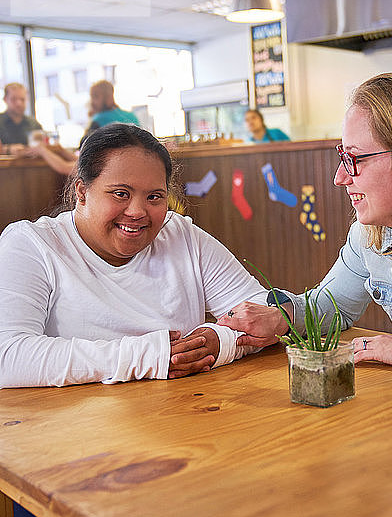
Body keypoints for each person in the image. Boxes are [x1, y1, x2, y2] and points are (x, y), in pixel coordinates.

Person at [0, 123, 283, 388]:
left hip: (185, 419)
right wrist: (151, 355)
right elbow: (9, 357)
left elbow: (265, 313)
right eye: (121, 194)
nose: (137, 212)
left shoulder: (179, 234)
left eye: (154, 197)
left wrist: (219, 343)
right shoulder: (31, 244)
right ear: (82, 192)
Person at [219, 73, 392, 367]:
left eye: (354, 159)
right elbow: (335, 303)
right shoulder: (368, 235)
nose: (339, 178)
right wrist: (282, 317)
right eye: (343, 158)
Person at [0, 83, 42, 153]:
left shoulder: (34, 124)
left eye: (22, 99)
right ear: (5, 99)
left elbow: (43, 146)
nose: (19, 103)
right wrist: (8, 149)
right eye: (13, 99)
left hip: (31, 163)